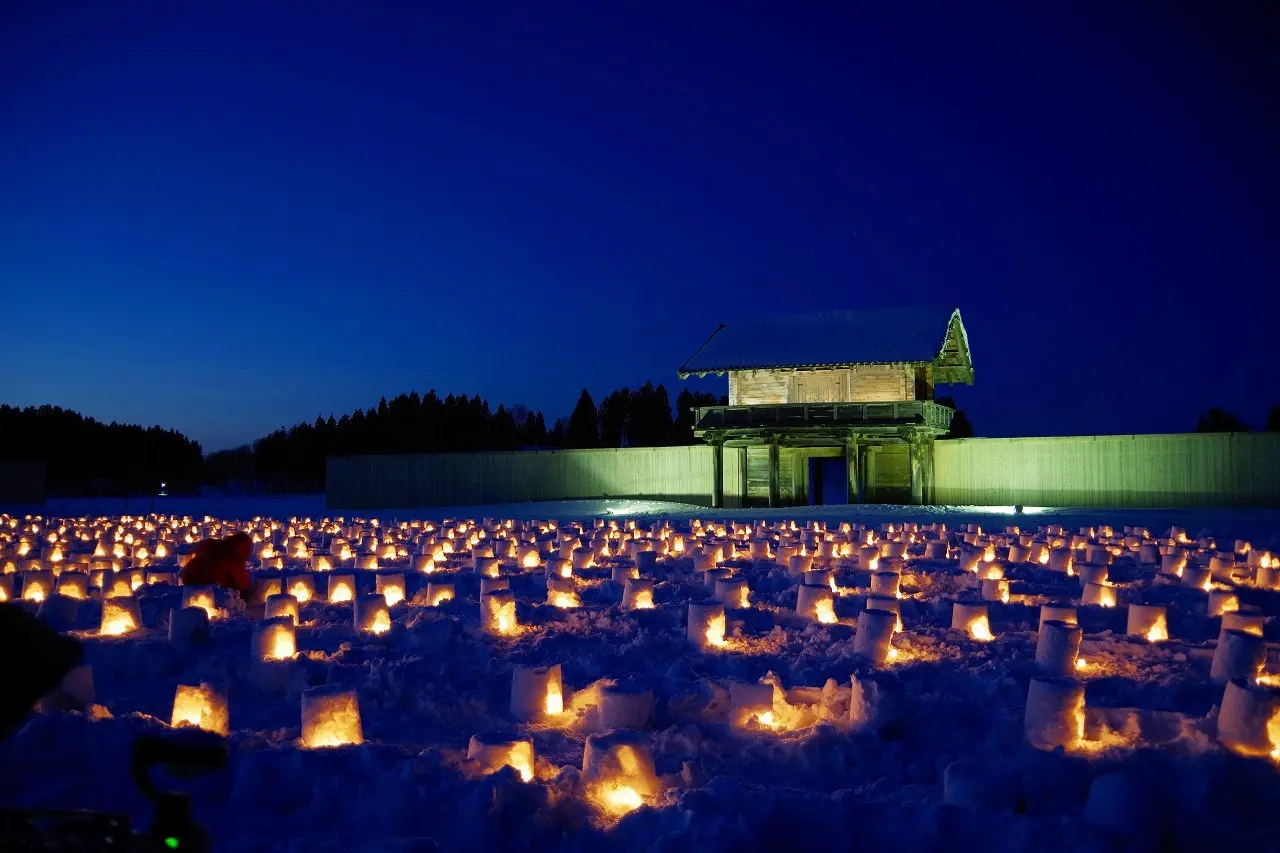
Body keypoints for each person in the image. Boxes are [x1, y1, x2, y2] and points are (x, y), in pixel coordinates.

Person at [180, 532, 253, 598]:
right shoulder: (231, 558)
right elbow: (243, 584)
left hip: (188, 580)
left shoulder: (213, 544)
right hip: (205, 589)